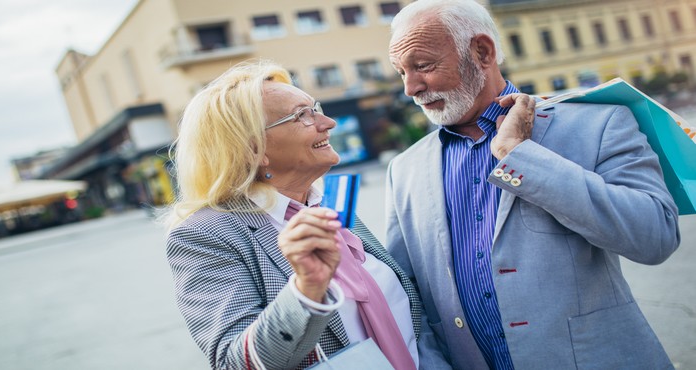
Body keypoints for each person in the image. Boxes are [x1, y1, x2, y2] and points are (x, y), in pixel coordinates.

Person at [385, 1, 681, 369]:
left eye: (423, 65)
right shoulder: (404, 169)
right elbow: (405, 297)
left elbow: (655, 237)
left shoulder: (599, 123)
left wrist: (518, 155)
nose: (411, 88)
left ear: (482, 51)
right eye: (401, 72)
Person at [164, 60, 448, 369]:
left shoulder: (324, 204)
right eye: (302, 115)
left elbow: (414, 322)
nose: (328, 122)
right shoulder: (205, 235)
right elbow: (234, 362)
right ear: (252, 150)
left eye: (315, 107)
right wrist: (305, 290)